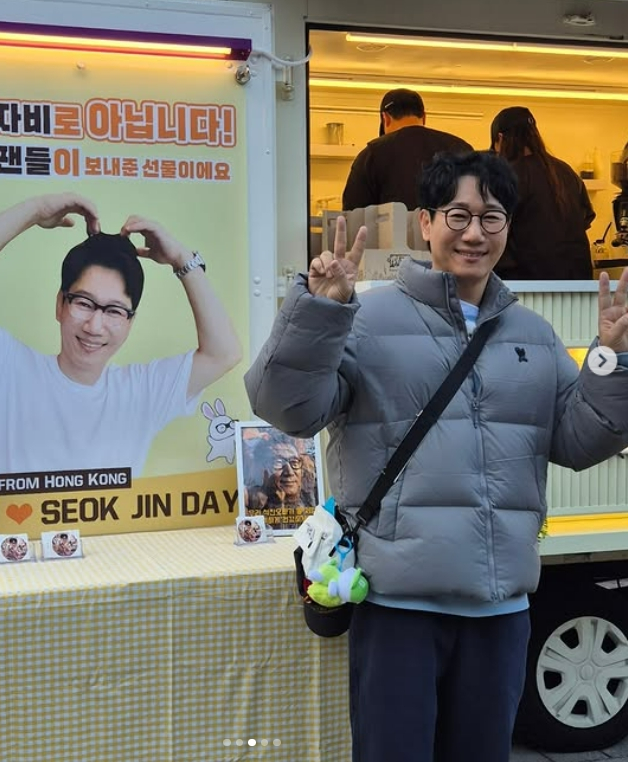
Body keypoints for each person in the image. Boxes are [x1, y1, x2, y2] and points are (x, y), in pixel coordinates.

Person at [245, 150, 628, 762]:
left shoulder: (533, 335)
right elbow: (287, 408)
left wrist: (612, 360)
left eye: (492, 217)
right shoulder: (364, 318)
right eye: (458, 215)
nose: (475, 233)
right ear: (425, 223)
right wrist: (319, 310)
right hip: (399, 608)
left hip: (500, 610)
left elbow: (580, 441)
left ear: (508, 228)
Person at [0, 193, 242, 483]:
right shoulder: (4, 370)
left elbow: (224, 353)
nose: (95, 326)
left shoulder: (142, 392)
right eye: (84, 303)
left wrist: (183, 260)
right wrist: (34, 210)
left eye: (114, 311)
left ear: (130, 321)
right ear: (60, 304)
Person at [490, 105, 596, 280]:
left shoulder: (507, 175)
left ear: (500, 138)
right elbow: (585, 218)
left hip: (527, 282)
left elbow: (494, 228)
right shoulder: (566, 171)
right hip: (577, 279)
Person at [341, 88, 473, 211]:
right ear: (424, 117)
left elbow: (353, 214)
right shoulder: (460, 149)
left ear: (385, 118)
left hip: (394, 229)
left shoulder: (372, 154)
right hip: (452, 228)